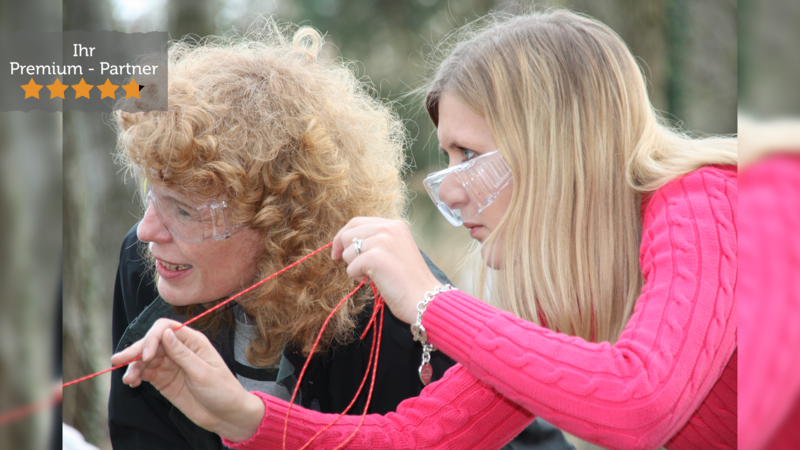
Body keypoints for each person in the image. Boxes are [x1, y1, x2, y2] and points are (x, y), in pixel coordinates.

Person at [114, 9, 738, 450]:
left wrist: (431, 303)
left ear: (552, 149)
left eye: (469, 155)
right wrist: (246, 417)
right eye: (445, 159)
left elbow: (641, 405)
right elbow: (423, 438)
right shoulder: (563, 290)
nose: (450, 189)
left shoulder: (711, 202)